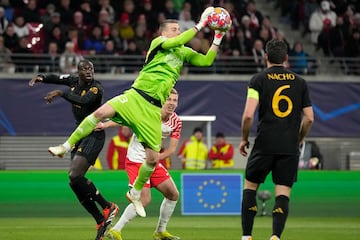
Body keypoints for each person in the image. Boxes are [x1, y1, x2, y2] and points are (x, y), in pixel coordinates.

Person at [47, 6, 228, 219]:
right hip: (135, 96)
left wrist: (217, 37)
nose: (178, 32)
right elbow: (174, 42)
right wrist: (200, 24)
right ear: (163, 33)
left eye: (179, 29)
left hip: (152, 109)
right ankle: (64, 146)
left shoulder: (183, 52)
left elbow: (206, 61)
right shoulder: (159, 43)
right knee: (100, 113)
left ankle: (135, 193)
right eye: (174, 28)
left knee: (152, 159)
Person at [28, 59, 119, 240]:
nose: (88, 71)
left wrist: (61, 93)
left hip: (94, 134)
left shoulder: (96, 88)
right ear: (78, 72)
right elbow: (57, 77)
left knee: (75, 175)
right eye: (84, 69)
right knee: (73, 181)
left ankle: (108, 206)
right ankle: (99, 218)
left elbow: (83, 100)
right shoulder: (73, 81)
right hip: (79, 134)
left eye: (91, 68)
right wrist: (41, 77)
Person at [238, 39, 314, 240]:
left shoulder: (258, 80)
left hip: (264, 143)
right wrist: (299, 138)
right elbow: (309, 118)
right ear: (286, 59)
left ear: (266, 58)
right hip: (289, 146)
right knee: (282, 193)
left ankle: (247, 236)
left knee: (250, 187)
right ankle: (275, 236)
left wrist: (244, 139)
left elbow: (247, 115)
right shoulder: (300, 82)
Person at [97, 88, 182, 240]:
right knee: (144, 200)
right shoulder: (149, 112)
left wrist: (155, 158)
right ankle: (115, 231)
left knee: (173, 194)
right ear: (162, 100)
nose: (172, 103)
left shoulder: (176, 121)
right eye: (169, 99)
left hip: (152, 161)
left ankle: (160, 231)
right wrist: (104, 125)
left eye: (175, 100)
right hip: (136, 160)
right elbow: (124, 118)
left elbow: (172, 149)